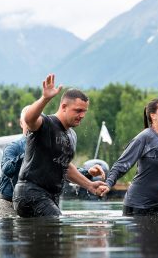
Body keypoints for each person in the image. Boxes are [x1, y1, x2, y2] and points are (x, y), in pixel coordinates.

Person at [13, 74, 106, 217]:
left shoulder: (71, 135)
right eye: (78, 110)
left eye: (84, 111)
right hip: (31, 192)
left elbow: (65, 167)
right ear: (63, 107)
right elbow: (29, 119)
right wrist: (45, 98)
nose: (82, 115)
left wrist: (90, 185)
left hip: (50, 196)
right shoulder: (46, 124)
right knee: (56, 226)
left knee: (50, 238)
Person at [0, 106, 30, 218]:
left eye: (35, 120)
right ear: (21, 123)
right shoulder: (13, 147)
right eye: (28, 121)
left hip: (32, 203)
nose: (32, 123)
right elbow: (7, 170)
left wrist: (85, 173)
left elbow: (62, 169)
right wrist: (26, 154)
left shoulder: (46, 148)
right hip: (8, 203)